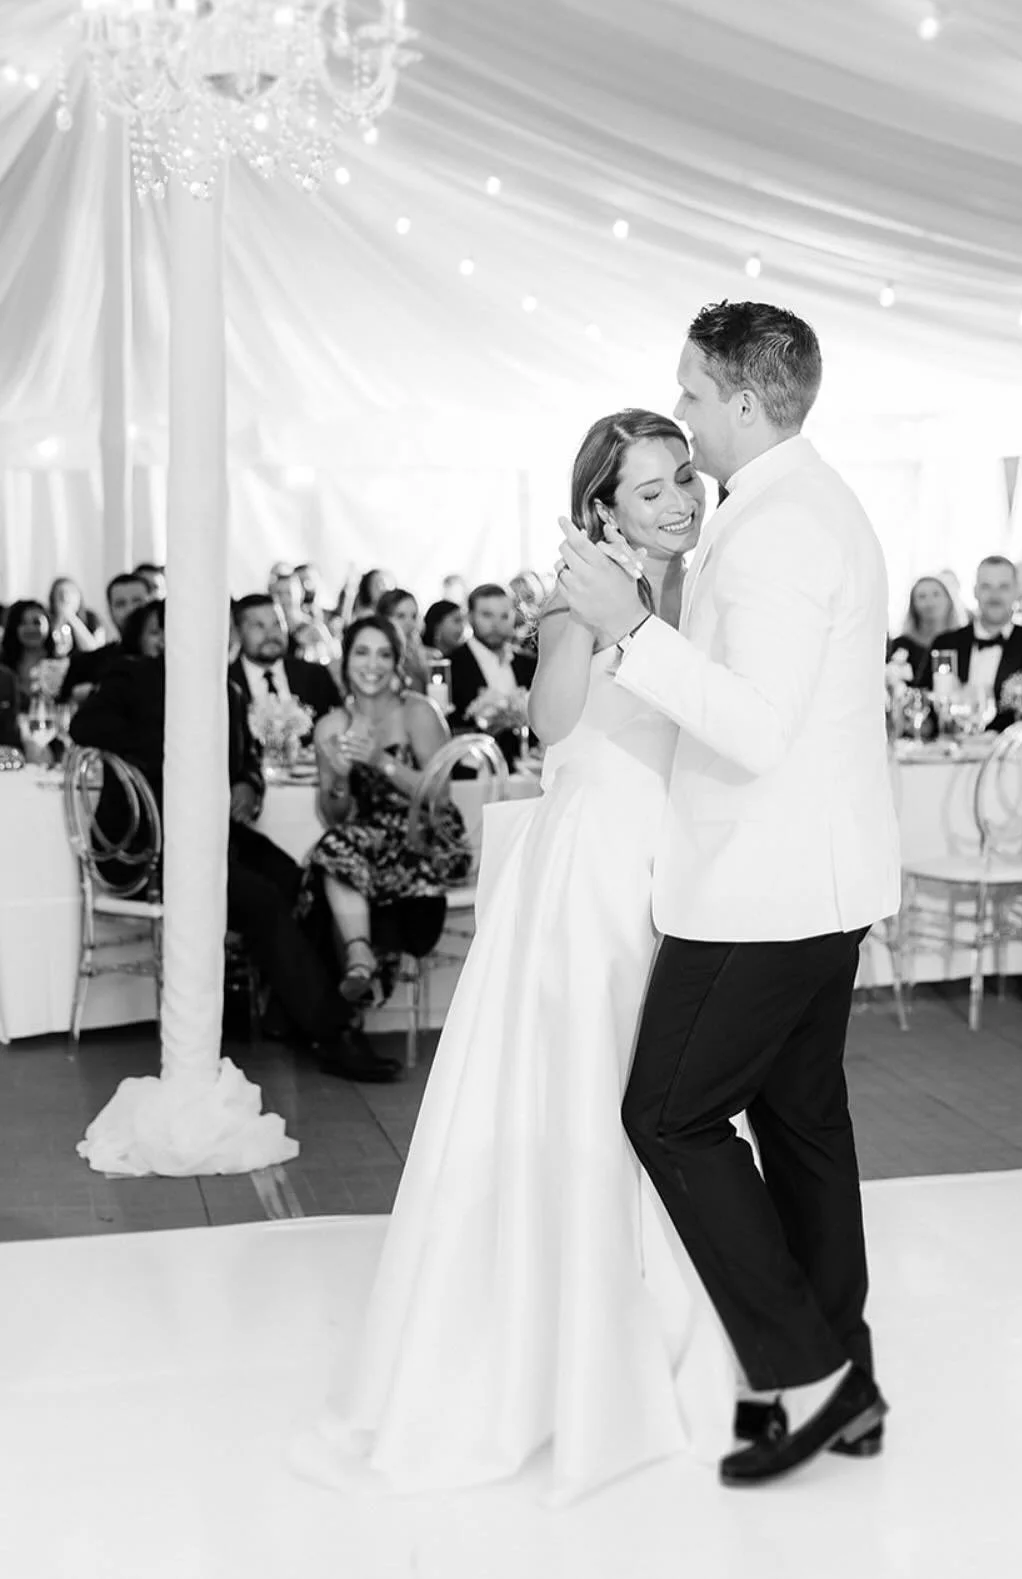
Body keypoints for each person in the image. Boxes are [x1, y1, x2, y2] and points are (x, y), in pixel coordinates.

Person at [291, 413, 735, 1505]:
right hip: (593, 873)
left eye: (681, 477)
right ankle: (571, 1352)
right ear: (600, 511)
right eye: (646, 492)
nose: (676, 500)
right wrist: (585, 615)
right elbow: (554, 721)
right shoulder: (582, 597)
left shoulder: (707, 580)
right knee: (594, 1089)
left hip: (673, 862)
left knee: (670, 1097)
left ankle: (674, 1326)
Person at [558, 301, 898, 1484]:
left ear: (744, 400)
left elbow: (751, 726)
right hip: (814, 880)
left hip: (760, 887)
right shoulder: (796, 507)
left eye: (693, 396)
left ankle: (802, 1370)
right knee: (801, 1122)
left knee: (667, 1113)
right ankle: (843, 1378)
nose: (686, 419)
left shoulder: (778, 532)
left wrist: (629, 628)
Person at [68, 605, 396, 1081]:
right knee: (260, 900)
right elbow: (86, 728)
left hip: (216, 837)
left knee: (300, 879)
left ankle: (289, 1013)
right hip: (147, 850)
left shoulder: (229, 689)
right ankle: (333, 1031)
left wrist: (249, 785)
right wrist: (179, 743)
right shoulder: (134, 677)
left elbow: (245, 761)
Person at [305, 616, 463, 1006]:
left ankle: (363, 960)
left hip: (427, 834)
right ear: (346, 661)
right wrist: (340, 780)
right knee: (333, 848)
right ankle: (359, 956)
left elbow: (439, 798)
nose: (371, 665)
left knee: (334, 854)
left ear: (396, 663)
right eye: (361, 653)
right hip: (367, 839)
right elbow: (335, 815)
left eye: (383, 654)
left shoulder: (418, 712)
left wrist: (381, 761)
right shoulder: (331, 726)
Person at [924, 555, 1022, 729]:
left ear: (1016, 591)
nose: (995, 596)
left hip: (1009, 750)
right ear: (975, 591)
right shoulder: (945, 643)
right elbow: (923, 703)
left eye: (1003, 587)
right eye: (986, 587)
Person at [446, 583, 537, 766]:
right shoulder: (451, 665)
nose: (496, 624)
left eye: (504, 616)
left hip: (529, 768)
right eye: (487, 615)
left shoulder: (529, 664)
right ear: (470, 617)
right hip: (473, 772)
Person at [229, 595, 341, 722]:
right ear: (238, 632)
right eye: (259, 626)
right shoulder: (228, 683)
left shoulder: (315, 676)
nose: (271, 634)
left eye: (277, 623)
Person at [61, 572, 152, 701]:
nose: (130, 609)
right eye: (120, 604)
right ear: (110, 610)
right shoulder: (86, 664)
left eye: (138, 601)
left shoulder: (169, 662)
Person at [887, 574, 957, 684]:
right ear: (913, 605)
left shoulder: (962, 641)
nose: (930, 602)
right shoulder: (901, 645)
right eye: (922, 596)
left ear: (948, 600)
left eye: (936, 594)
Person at [376, 589, 431, 694]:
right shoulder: (376, 657)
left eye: (414, 616)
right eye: (401, 616)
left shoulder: (424, 657)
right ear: (383, 620)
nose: (410, 623)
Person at [0, 600, 53, 709]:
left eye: (36, 622)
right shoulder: (3, 669)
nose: (30, 629)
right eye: (23, 623)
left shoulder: (61, 664)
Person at [47, 577, 103, 658]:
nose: (66, 598)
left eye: (71, 592)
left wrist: (71, 616)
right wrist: (60, 620)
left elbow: (94, 650)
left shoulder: (92, 618)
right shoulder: (47, 620)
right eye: (60, 594)